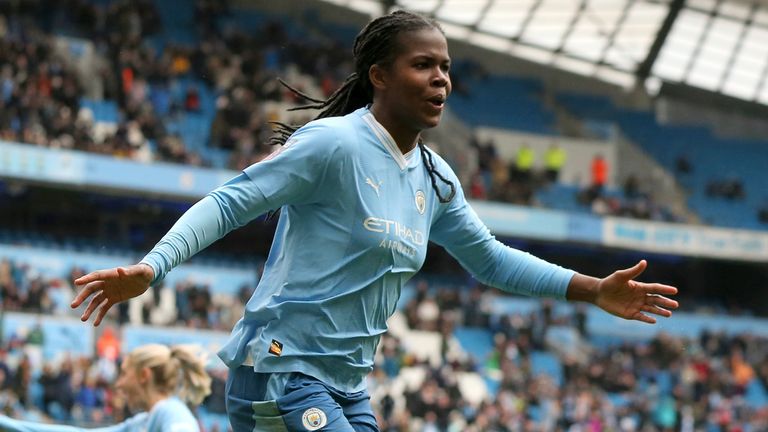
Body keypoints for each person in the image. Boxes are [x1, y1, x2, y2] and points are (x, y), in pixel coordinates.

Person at [69, 10, 679, 432]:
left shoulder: (435, 177)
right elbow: (230, 201)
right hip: (279, 368)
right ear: (379, 76)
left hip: (346, 386)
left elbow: (490, 258)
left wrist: (593, 288)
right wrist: (153, 266)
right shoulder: (331, 144)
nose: (441, 78)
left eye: (445, 67)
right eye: (423, 65)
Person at [0, 344, 211, 431]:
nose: (118, 384)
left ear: (144, 375)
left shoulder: (172, 411)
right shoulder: (143, 421)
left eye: (124, 373)